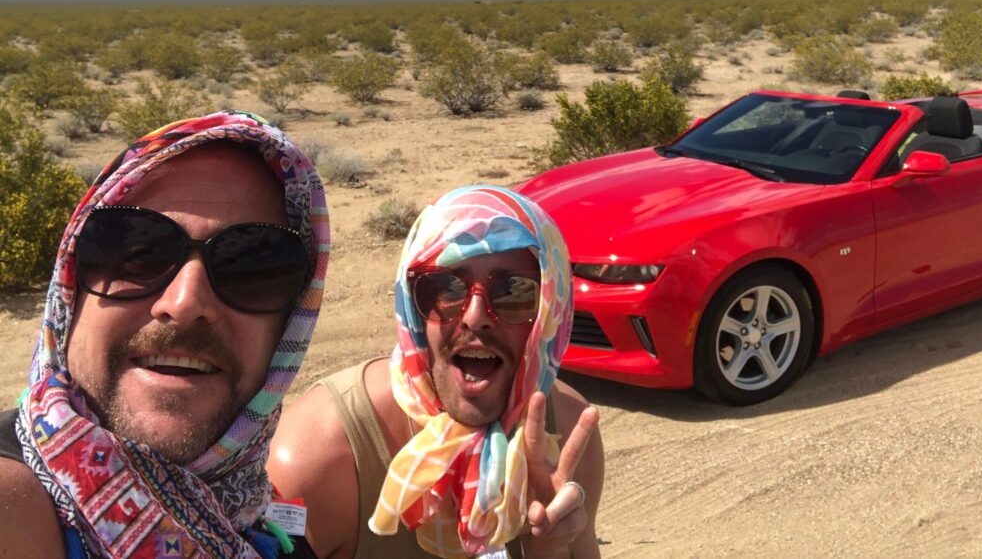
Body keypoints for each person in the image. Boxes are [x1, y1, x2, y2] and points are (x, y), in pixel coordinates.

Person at [0, 111, 330, 559]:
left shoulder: (263, 529)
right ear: (69, 295)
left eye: (252, 266)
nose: (184, 303)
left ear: (289, 328)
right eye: (138, 255)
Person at [269, 185, 604, 559]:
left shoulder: (571, 434)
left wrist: (546, 548)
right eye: (446, 288)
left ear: (549, 313)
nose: (475, 316)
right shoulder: (321, 458)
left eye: (515, 292)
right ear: (412, 308)